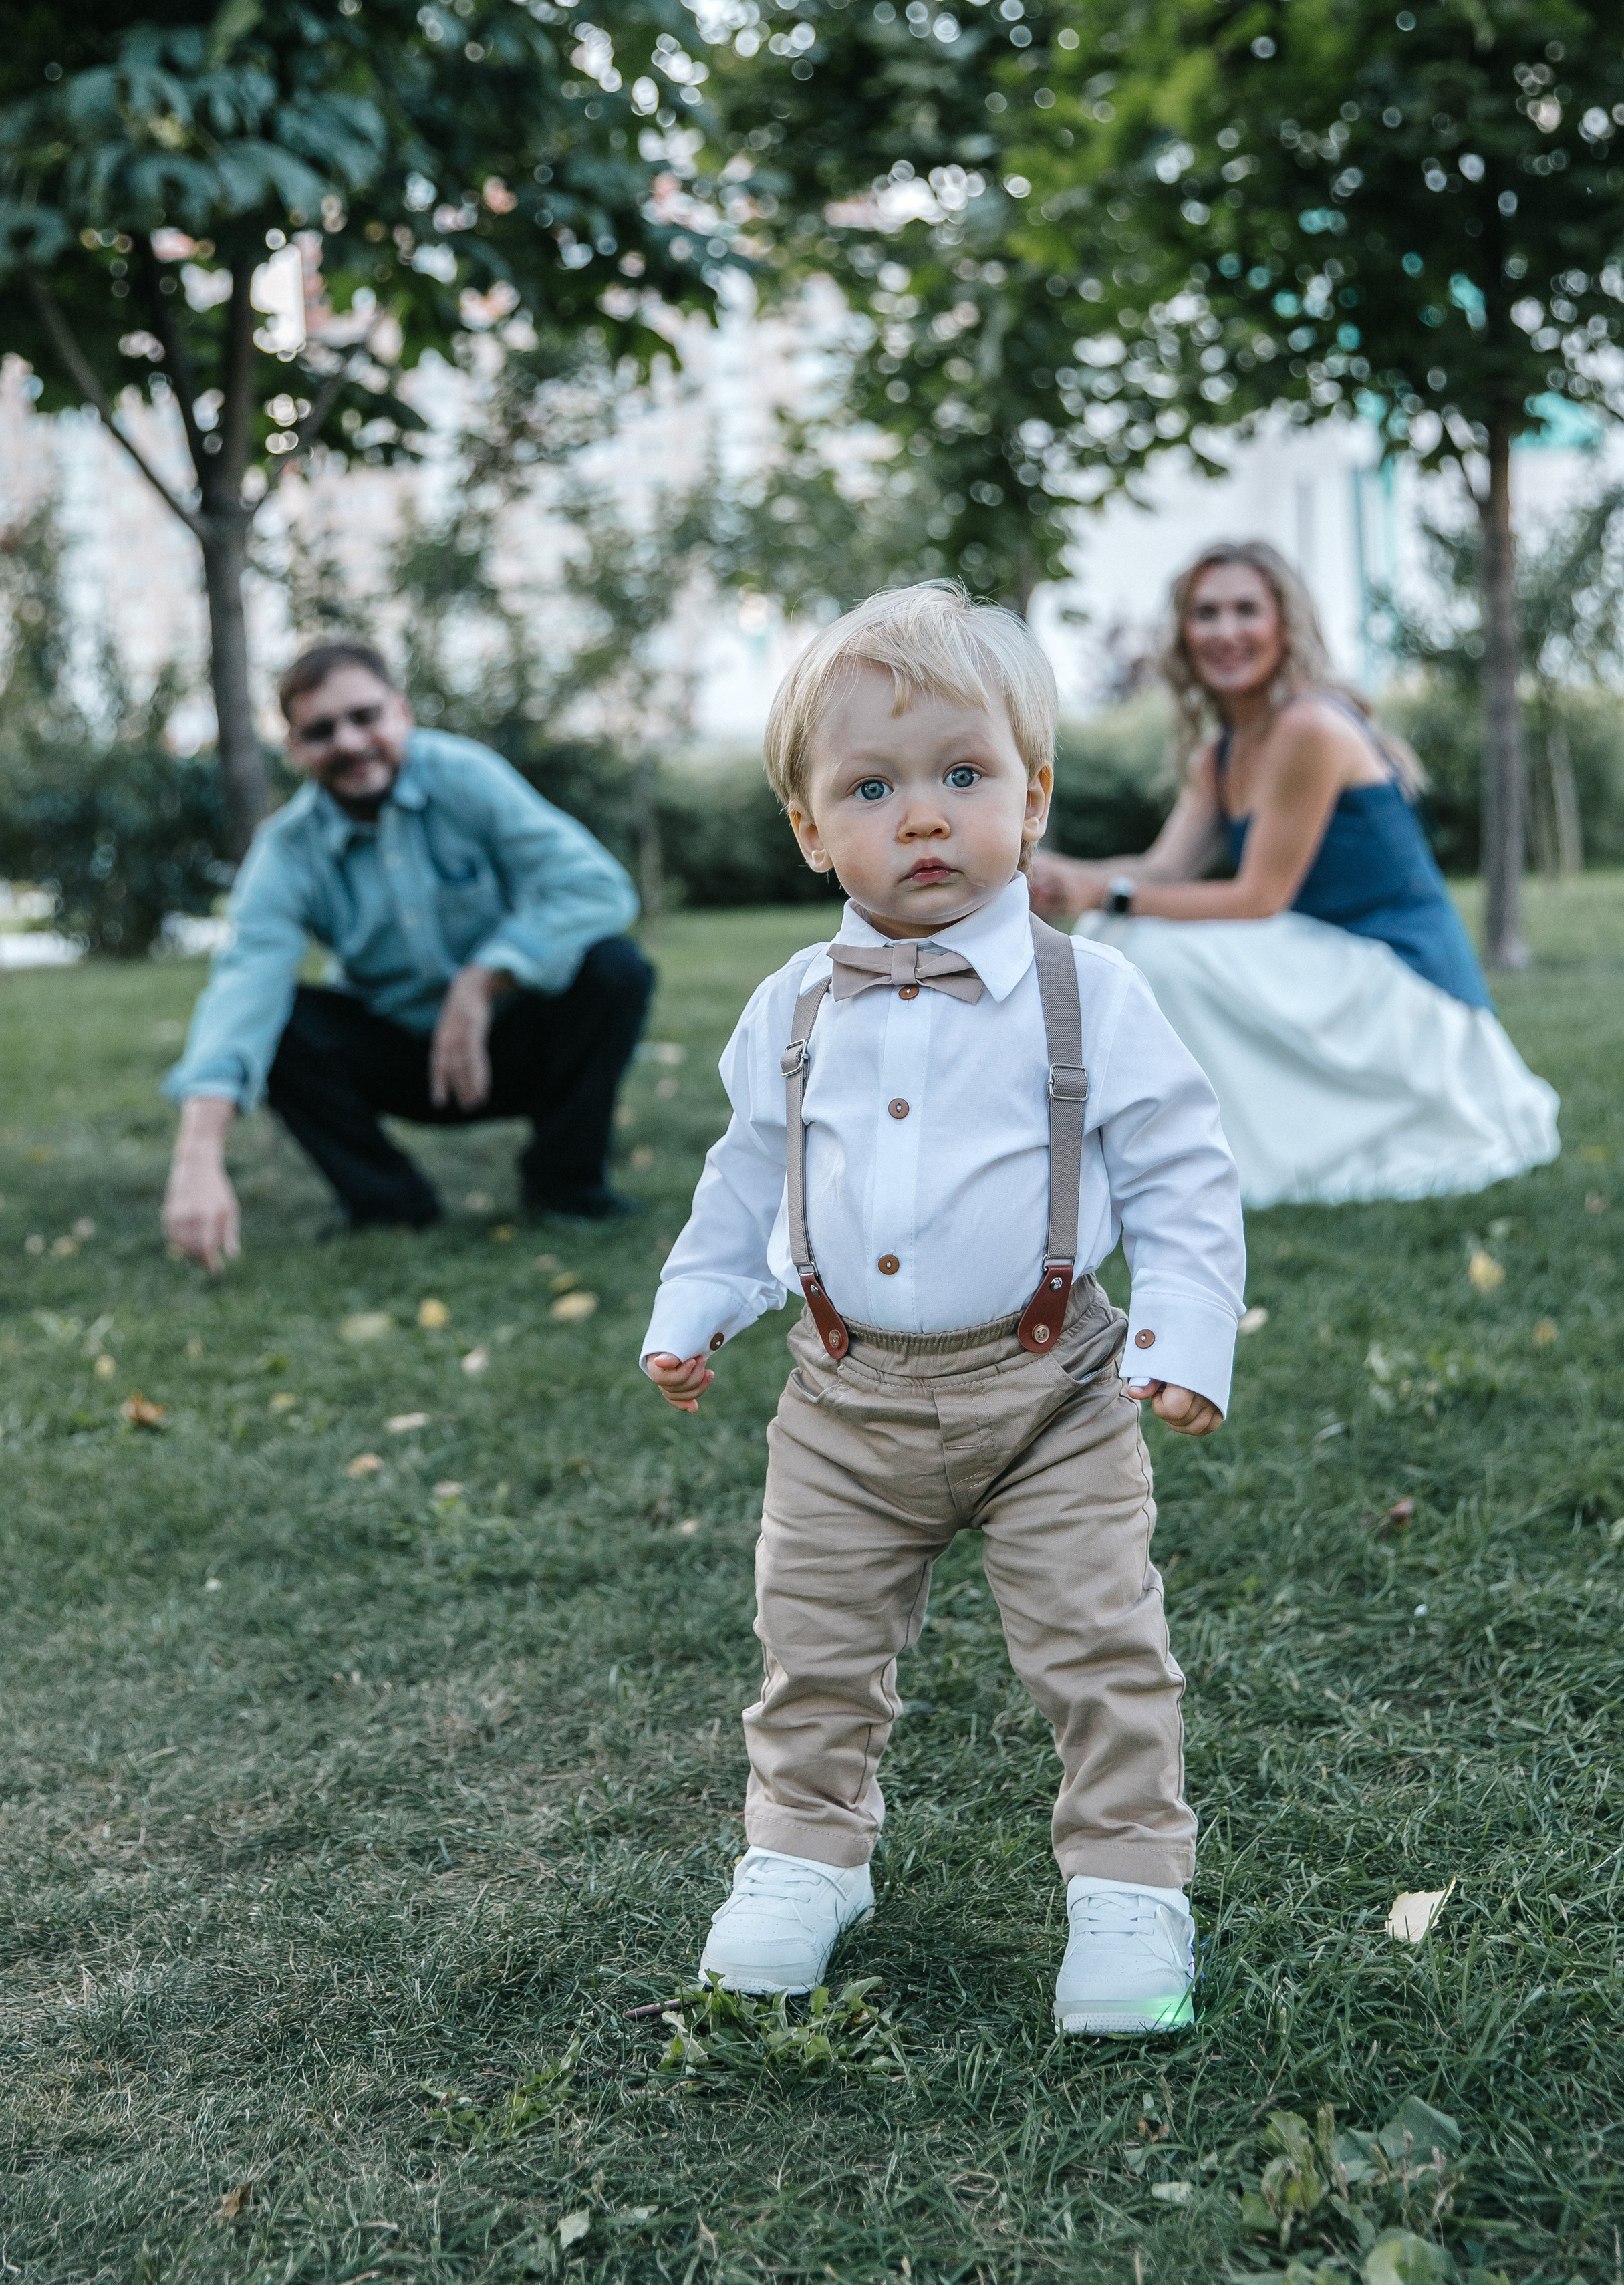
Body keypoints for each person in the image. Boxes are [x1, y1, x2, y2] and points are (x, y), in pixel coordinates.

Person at [638, 581, 1245, 2033]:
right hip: (840, 1402)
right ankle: (801, 1852)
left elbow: (1181, 1171)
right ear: (808, 829)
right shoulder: (791, 1003)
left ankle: (1124, 1885)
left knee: (1099, 1645)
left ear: (1028, 801)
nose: (922, 816)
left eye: (961, 776)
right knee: (815, 1647)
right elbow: (750, 1173)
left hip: (1054, 1396)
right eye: (872, 786)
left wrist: (1181, 1335)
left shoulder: (1084, 993)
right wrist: (696, 1301)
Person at [1029, 541, 1559, 1208]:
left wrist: (1105, 891)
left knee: (1151, 948)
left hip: (1401, 983)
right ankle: (1147, 1146)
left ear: (1284, 623)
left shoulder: (1310, 729)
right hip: (1322, 970)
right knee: (1115, 928)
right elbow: (1160, 869)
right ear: (1184, 634)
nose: (1226, 632)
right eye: (1206, 613)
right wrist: (1056, 874)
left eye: (1245, 610)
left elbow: (1257, 898)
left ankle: (1226, 1153)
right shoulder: (1219, 755)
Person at [162, 640, 652, 1267]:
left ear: (401, 713)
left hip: (515, 1042)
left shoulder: (465, 777)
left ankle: (567, 1186)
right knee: (279, 1019)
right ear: (294, 748)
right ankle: (388, 1205)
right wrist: (197, 1156)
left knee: (614, 968)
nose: (349, 742)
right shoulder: (286, 851)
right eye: (320, 730)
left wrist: (481, 982)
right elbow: (243, 986)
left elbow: (596, 887)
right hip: (401, 1059)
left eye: (365, 717)